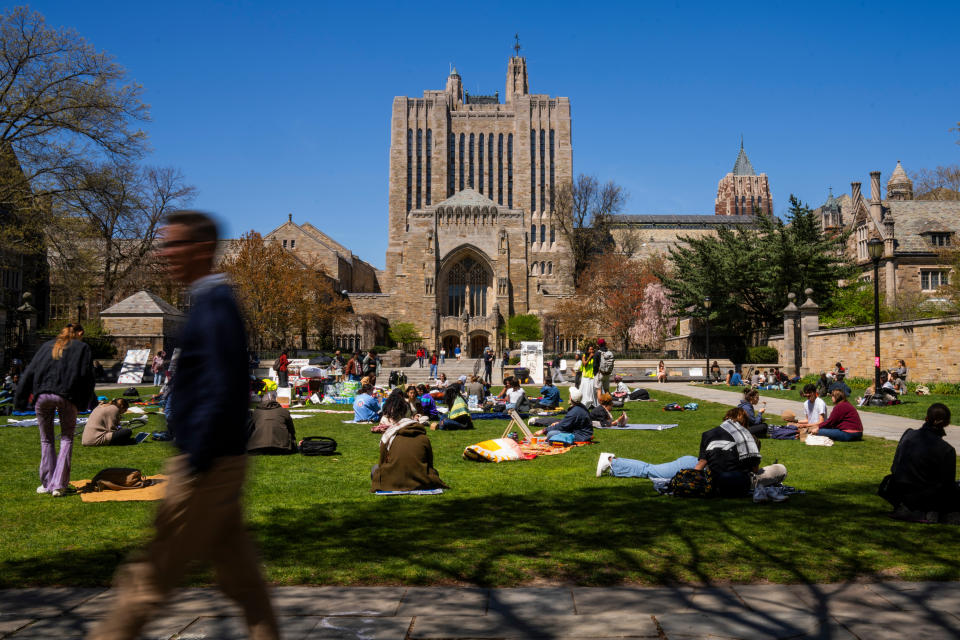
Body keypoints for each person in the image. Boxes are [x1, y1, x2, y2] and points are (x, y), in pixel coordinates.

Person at [90, 210, 279, 640]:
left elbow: (218, 388)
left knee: (147, 581)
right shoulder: (212, 302)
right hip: (220, 461)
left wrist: (197, 459)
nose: (164, 255)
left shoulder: (214, 306)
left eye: (172, 245)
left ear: (199, 249)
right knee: (245, 585)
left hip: (205, 467)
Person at [15, 323, 95, 497]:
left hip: (42, 396)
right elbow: (86, 376)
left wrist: (20, 399)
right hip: (67, 396)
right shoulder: (82, 348)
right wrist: (87, 402)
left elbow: (30, 372)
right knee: (66, 438)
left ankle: (46, 483)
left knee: (46, 440)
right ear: (80, 332)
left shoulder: (47, 346)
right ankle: (58, 484)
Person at [879, 403, 959, 523]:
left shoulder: (908, 435)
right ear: (947, 423)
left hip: (898, 489)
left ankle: (912, 509)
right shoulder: (946, 450)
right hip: (924, 495)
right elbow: (947, 485)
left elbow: (895, 466)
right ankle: (931, 512)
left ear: (926, 418)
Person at [371, 399, 447, 493]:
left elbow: (381, 463)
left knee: (375, 469)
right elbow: (429, 463)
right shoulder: (423, 437)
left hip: (393, 481)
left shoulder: (388, 436)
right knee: (434, 472)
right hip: (422, 481)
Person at [82, 398, 147, 447]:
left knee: (122, 433)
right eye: (124, 410)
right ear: (121, 407)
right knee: (127, 431)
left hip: (86, 439)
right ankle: (128, 441)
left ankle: (128, 441)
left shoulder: (102, 406)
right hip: (95, 439)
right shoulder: (114, 409)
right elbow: (112, 429)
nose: (123, 413)